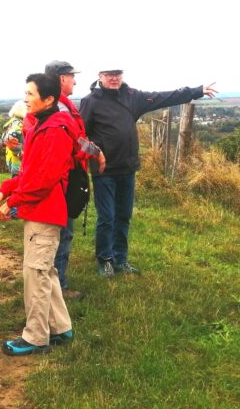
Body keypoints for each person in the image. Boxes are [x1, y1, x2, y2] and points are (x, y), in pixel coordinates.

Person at [80, 68, 217, 277]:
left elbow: (164, 97)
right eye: (109, 74)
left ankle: (120, 259)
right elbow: (81, 136)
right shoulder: (91, 101)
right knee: (107, 217)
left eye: (118, 73)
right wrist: (95, 153)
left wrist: (196, 91)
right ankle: (105, 260)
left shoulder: (132, 97)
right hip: (104, 170)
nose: (114, 77)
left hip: (127, 168)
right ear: (100, 76)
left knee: (123, 216)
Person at [0, 73, 75, 356]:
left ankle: (36, 337)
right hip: (39, 209)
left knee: (35, 274)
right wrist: (5, 190)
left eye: (30, 94)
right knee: (45, 270)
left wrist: (14, 202)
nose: (25, 98)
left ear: (49, 99)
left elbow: (44, 179)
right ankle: (60, 327)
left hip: (46, 212)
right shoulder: (39, 125)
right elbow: (28, 171)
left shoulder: (55, 131)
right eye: (25, 93)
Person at [43, 60, 106, 300]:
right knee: (62, 231)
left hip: (64, 175)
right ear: (61, 79)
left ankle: (54, 283)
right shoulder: (60, 108)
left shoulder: (57, 105)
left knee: (60, 231)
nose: (75, 81)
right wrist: (95, 151)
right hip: (65, 177)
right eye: (71, 76)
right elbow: (75, 142)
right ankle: (59, 286)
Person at [0, 100, 27, 176]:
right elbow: (8, 139)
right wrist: (21, 154)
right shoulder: (19, 125)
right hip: (19, 164)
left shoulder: (11, 122)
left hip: (13, 161)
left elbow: (2, 141)